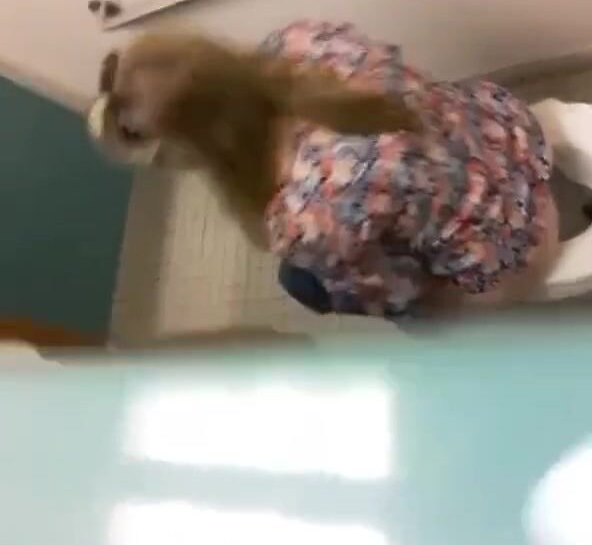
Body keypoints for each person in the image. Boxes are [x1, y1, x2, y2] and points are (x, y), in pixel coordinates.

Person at [98, 21, 559, 323]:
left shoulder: (306, 218)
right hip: (505, 132)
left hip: (516, 245)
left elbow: (396, 294)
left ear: (201, 148)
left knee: (301, 283)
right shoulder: (303, 41)